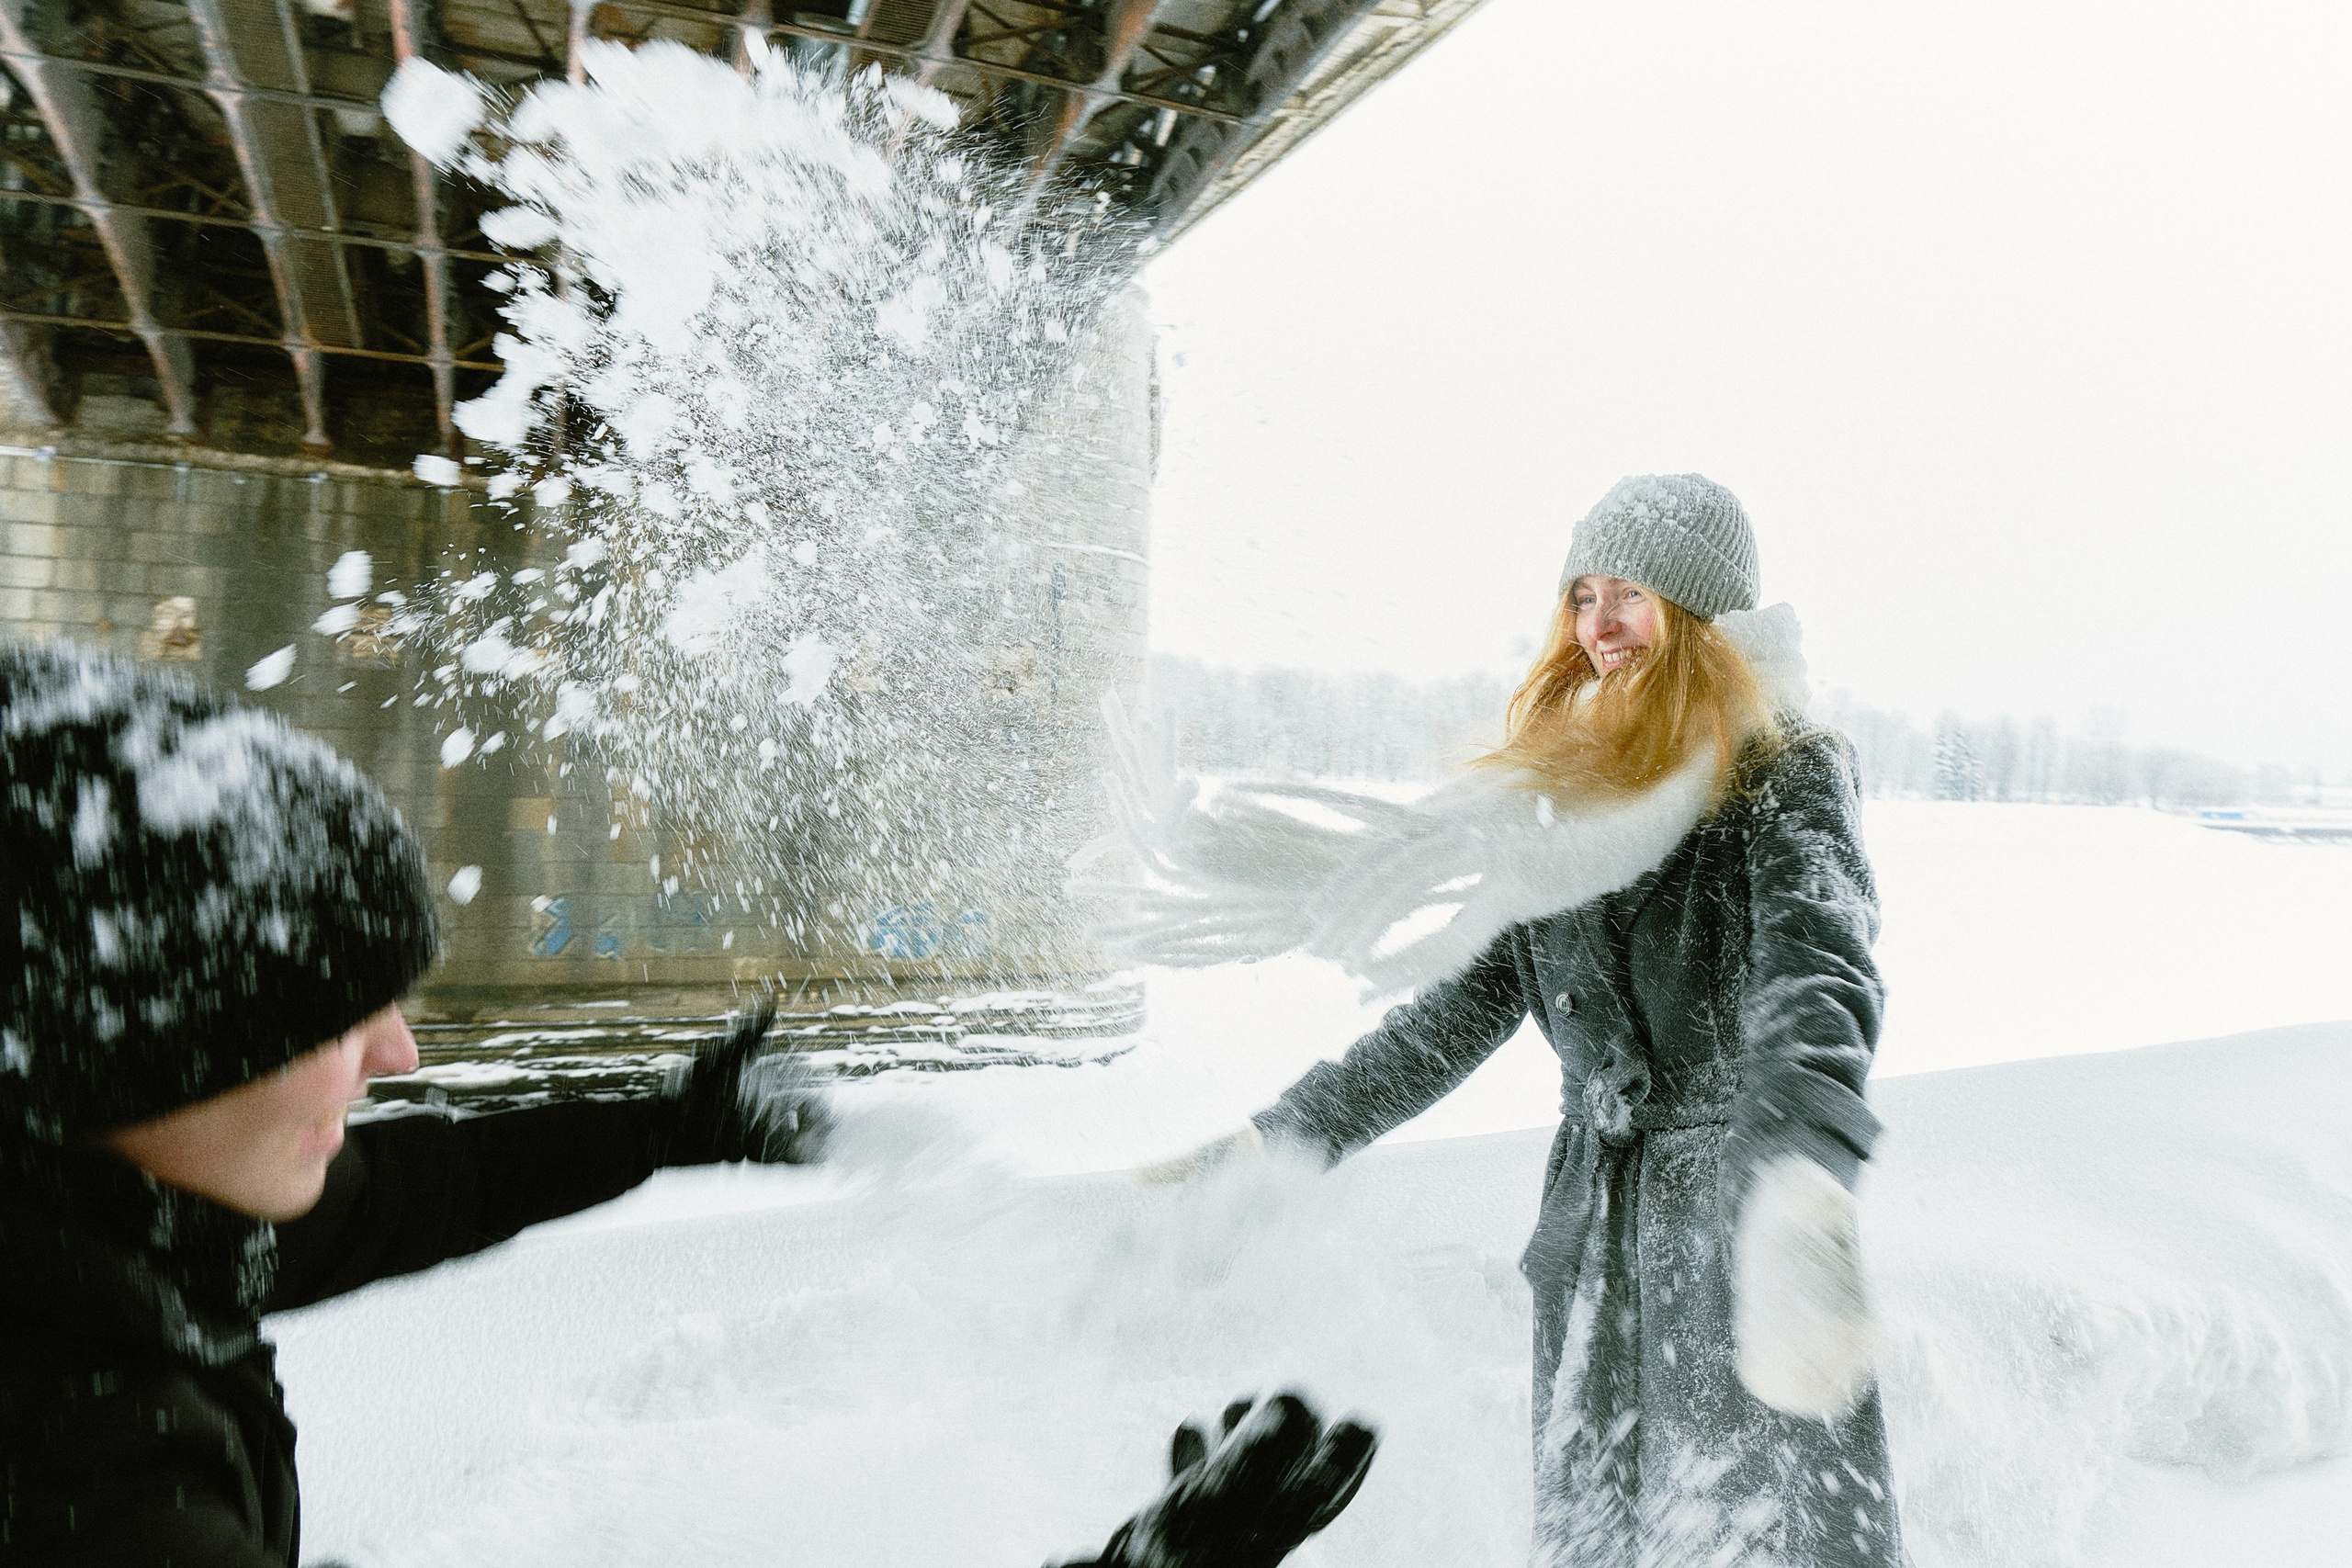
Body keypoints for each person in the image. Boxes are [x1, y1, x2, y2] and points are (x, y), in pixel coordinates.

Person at [0, 641, 1373, 1568]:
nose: (399, 1053)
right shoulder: (85, 1469)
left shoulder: (102, 1216)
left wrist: (668, 1122)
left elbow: (405, 1194)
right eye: (332, 1014)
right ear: (127, 1038)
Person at [1121, 475, 1901, 1567]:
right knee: (1602, 1536)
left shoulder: (1781, 768)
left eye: (1629, 595)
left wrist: (1799, 1178)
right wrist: (1281, 1140)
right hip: (1593, 1236)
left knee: (1751, 1533)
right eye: (1582, 596)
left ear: (1699, 615)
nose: (1597, 625)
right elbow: (1463, 1008)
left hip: (1736, 1227)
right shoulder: (1566, 801)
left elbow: (1819, 970)